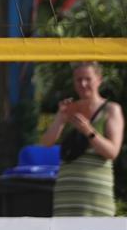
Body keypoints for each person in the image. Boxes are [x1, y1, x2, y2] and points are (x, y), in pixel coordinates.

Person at [40, 60, 123, 216]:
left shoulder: (111, 109)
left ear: (99, 80)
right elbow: (46, 143)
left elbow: (112, 152)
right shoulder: (69, 109)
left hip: (96, 200)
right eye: (79, 80)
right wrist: (60, 119)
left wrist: (89, 131)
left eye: (88, 79)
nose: (83, 84)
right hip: (66, 199)